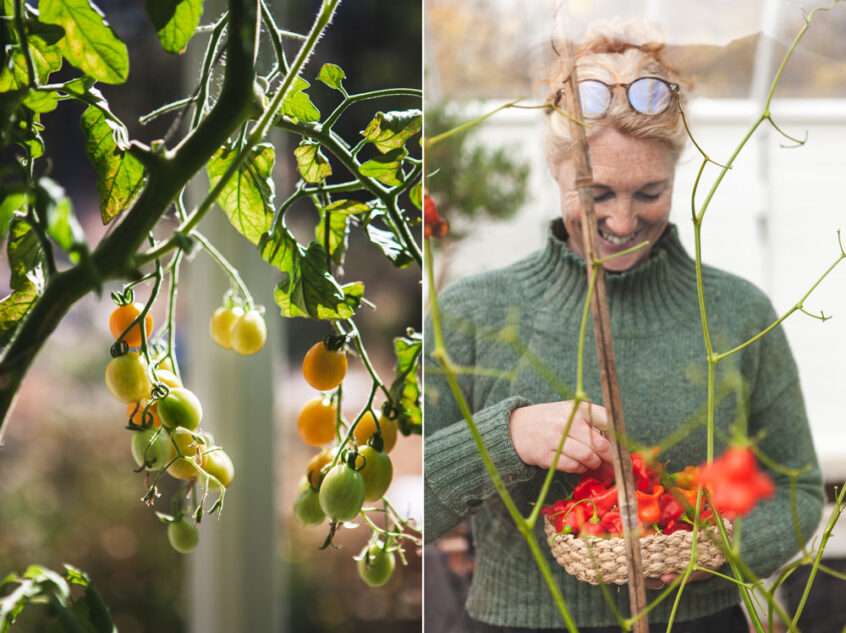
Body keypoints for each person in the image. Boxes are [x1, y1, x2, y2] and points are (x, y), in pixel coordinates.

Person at [424, 20, 824, 633]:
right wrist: (507, 437)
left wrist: (717, 548)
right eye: (597, 191)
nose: (620, 220)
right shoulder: (473, 312)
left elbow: (797, 490)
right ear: (556, 171)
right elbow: (414, 508)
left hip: (698, 621)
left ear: (676, 174)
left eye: (649, 192)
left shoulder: (737, 312)